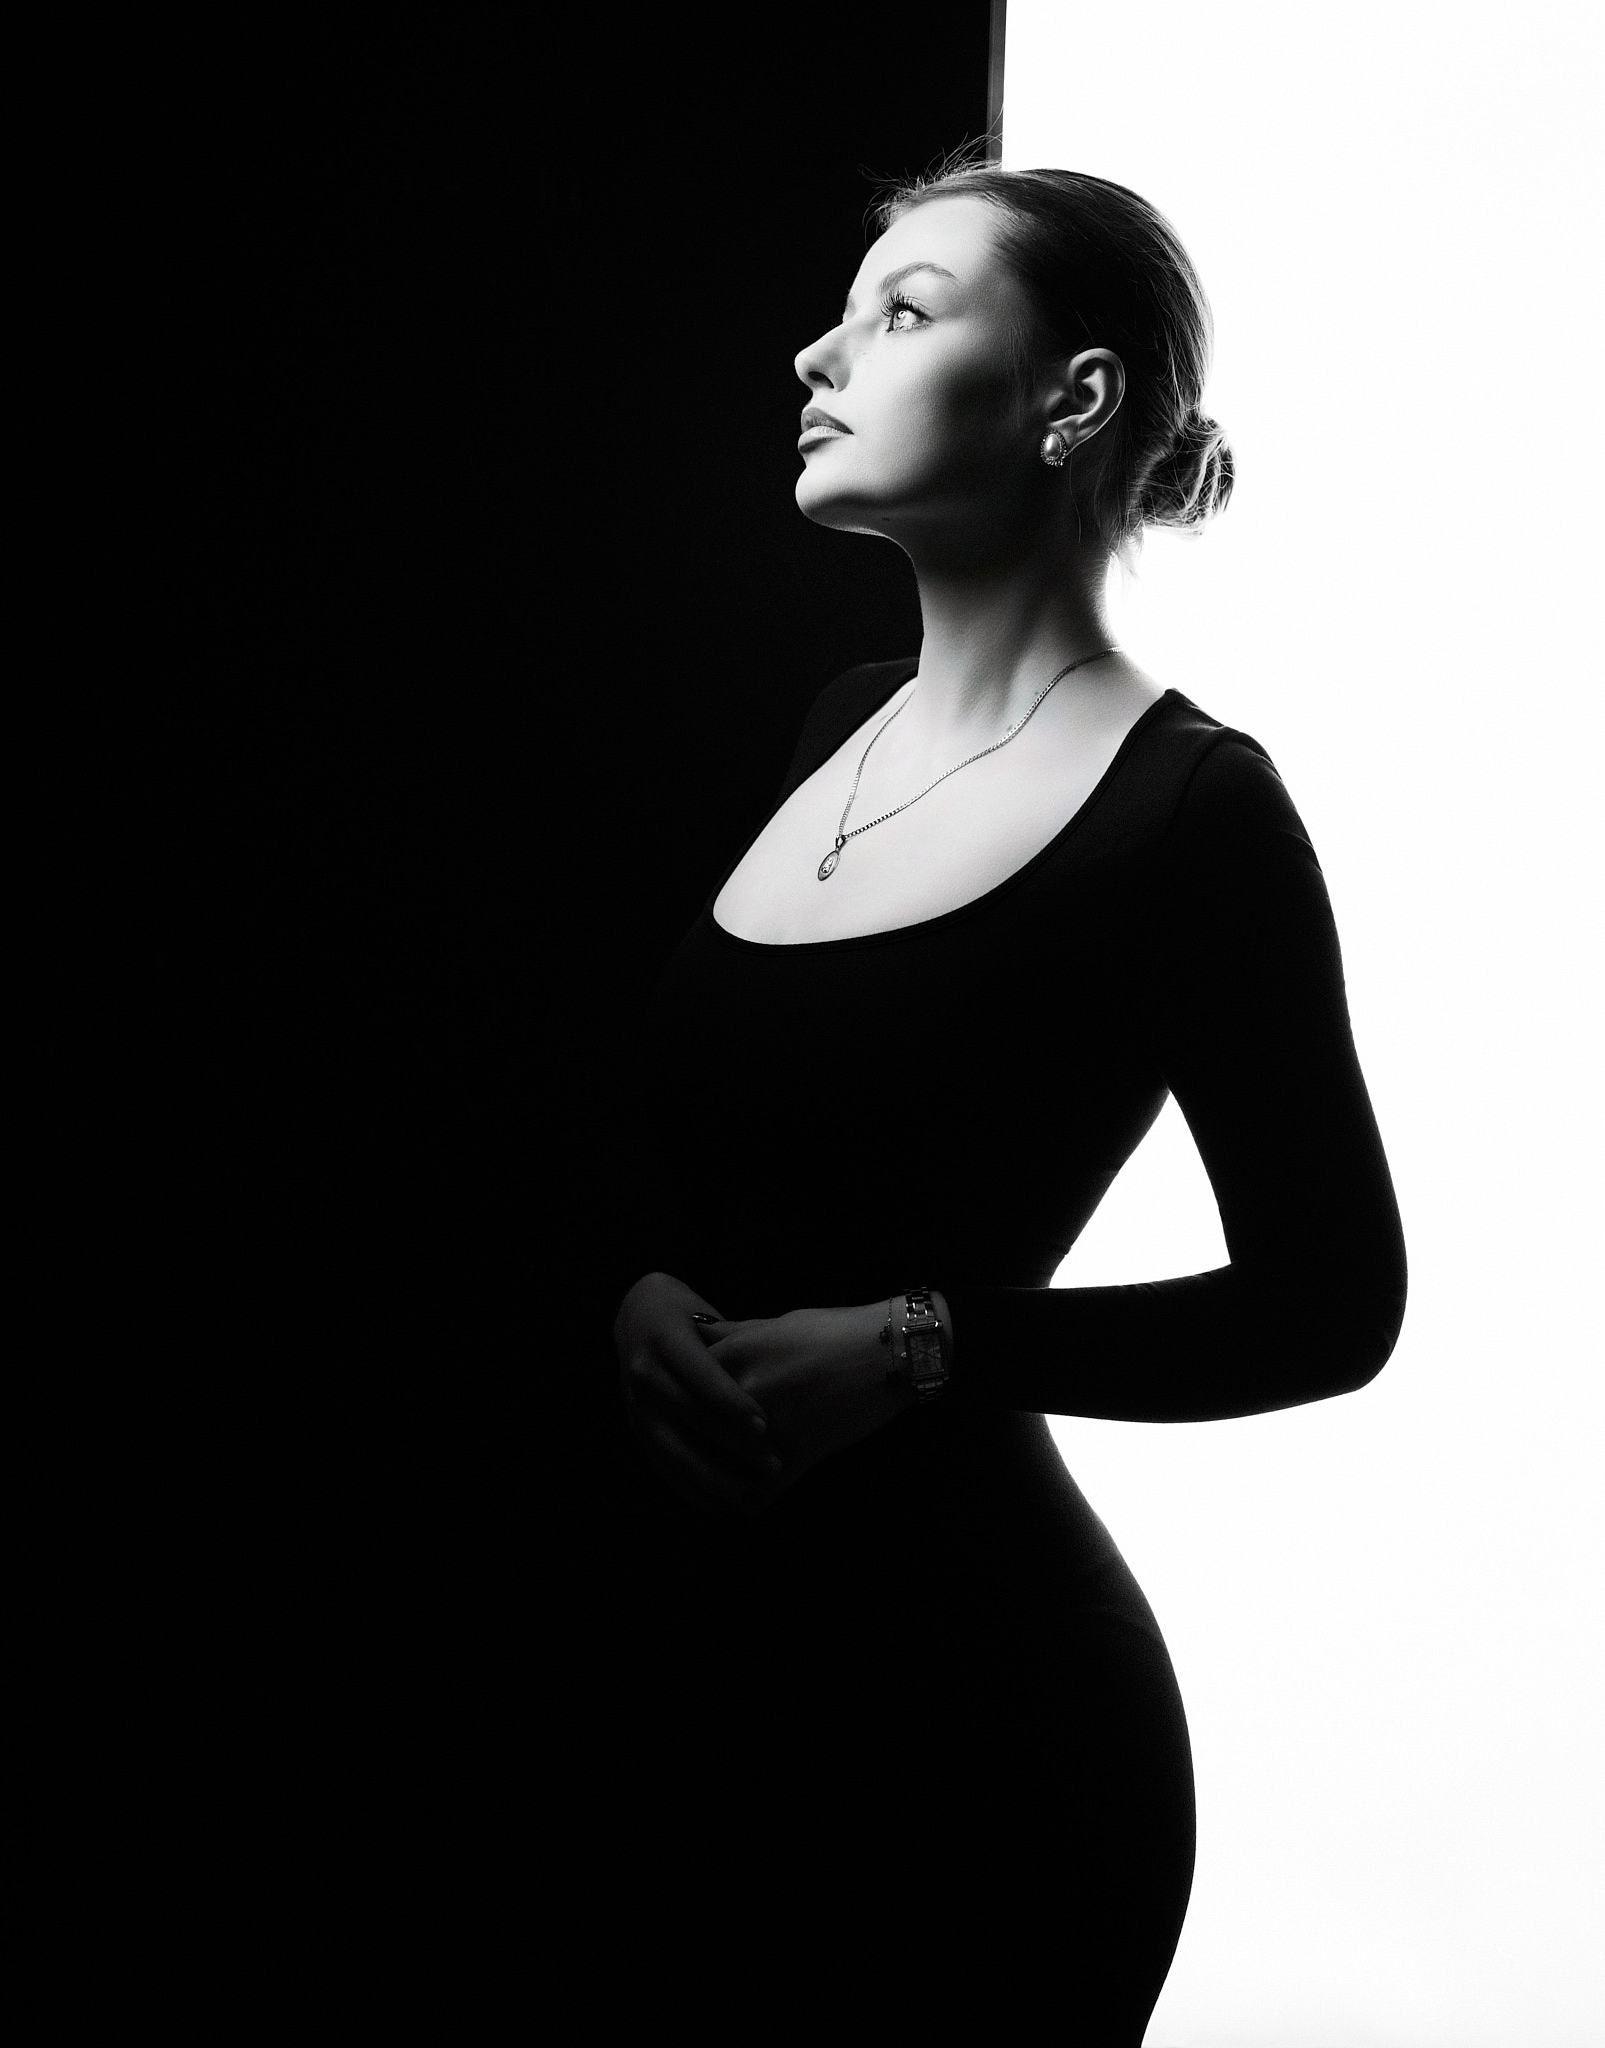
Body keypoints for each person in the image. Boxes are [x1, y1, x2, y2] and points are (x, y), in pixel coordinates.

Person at [605, 164, 1406, 2042]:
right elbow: (699, 1154)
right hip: (690, 1701)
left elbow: (1330, 1304)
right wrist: (631, 1291)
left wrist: (919, 1345)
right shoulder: (831, 724)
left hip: (977, 1742)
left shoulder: (1193, 811)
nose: (816, 356)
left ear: (1073, 399)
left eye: (902, 312)